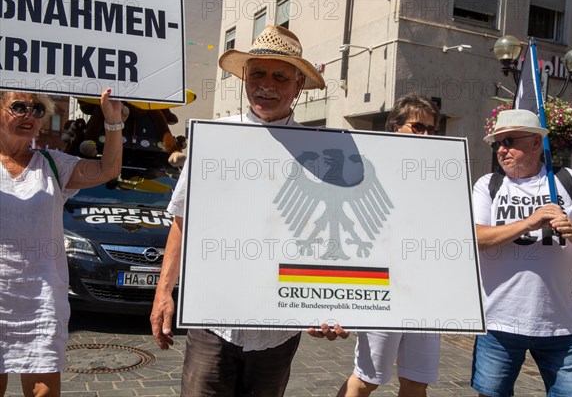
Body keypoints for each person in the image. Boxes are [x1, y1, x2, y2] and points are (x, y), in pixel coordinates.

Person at [150, 25, 342, 396]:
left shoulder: (323, 154)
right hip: (214, 322)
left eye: (279, 76)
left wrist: (331, 302)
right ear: (244, 79)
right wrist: (164, 293)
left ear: (298, 85)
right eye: (257, 73)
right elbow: (182, 221)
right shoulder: (213, 140)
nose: (265, 84)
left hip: (279, 330)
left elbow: (328, 236)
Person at [0, 89, 123, 397]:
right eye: (19, 107)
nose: (30, 115)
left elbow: (108, 170)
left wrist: (112, 123)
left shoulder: (52, 165)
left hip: (41, 300)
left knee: (43, 392)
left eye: (38, 110)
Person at [471, 109, 572, 397]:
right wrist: (529, 222)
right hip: (499, 321)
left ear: (535, 143)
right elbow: (476, 237)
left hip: (559, 326)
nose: (502, 149)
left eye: (509, 141)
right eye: (498, 143)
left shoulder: (568, 181)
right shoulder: (488, 185)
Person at [336, 93, 442, 397]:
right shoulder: (371, 168)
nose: (425, 135)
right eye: (417, 127)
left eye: (431, 130)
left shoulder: (440, 173)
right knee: (367, 378)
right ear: (395, 127)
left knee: (416, 382)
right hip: (382, 286)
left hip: (426, 291)